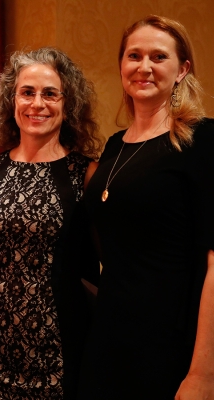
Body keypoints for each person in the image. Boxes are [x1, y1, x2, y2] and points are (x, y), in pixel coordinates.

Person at [77, 15, 214, 400]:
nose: (144, 67)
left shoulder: (204, 140)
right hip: (109, 337)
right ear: (122, 65)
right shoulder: (115, 146)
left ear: (182, 69)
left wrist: (204, 372)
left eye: (159, 56)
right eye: (134, 56)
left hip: (173, 341)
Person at [0, 47, 103, 399]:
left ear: (68, 103)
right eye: (27, 92)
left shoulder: (86, 173)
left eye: (50, 94)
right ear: (11, 100)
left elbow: (101, 262)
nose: (37, 104)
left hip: (58, 349)